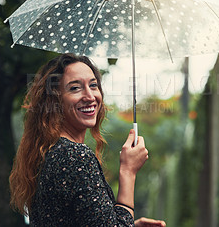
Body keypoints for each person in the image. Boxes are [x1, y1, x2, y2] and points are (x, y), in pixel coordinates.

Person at [9, 53, 166, 226]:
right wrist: (128, 171)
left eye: (93, 85)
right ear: (55, 100)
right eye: (75, 88)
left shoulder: (50, 153)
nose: (90, 96)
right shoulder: (75, 156)